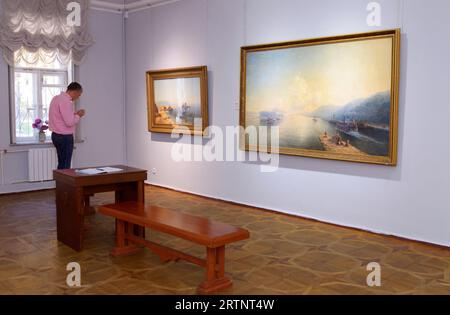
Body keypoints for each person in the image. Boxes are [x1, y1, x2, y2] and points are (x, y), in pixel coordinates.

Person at [48, 82, 86, 169]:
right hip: (64, 137)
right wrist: (78, 115)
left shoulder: (56, 98)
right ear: (75, 92)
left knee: (61, 163)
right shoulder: (66, 102)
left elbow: (60, 116)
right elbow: (69, 122)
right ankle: (63, 183)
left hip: (56, 135)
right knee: (65, 166)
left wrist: (74, 114)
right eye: (79, 95)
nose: (78, 97)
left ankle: (59, 182)